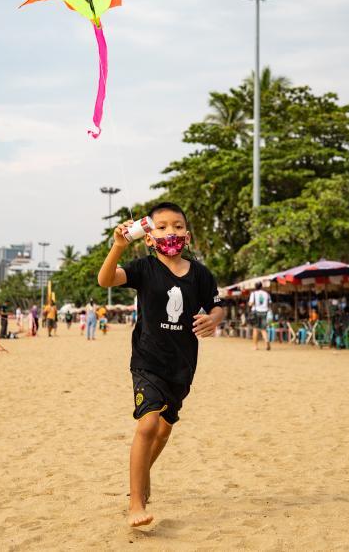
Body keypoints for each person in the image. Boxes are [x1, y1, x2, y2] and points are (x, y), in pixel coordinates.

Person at [97, 201, 223, 528]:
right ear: (149, 237)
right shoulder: (144, 268)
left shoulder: (200, 274)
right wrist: (118, 246)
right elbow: (106, 280)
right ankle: (135, 503)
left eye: (178, 226)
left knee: (165, 430)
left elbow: (217, 306)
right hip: (147, 360)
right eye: (162, 227)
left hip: (182, 366)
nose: (171, 232)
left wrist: (213, 319)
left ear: (188, 235)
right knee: (148, 425)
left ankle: (143, 475)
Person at [247, 282, 271, 351]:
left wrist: (249, 303)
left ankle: (255, 346)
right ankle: (266, 341)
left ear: (255, 287)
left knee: (255, 329)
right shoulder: (266, 294)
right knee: (263, 329)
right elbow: (269, 303)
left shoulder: (253, 293)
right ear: (261, 286)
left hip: (256, 312)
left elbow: (251, 303)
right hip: (265, 312)